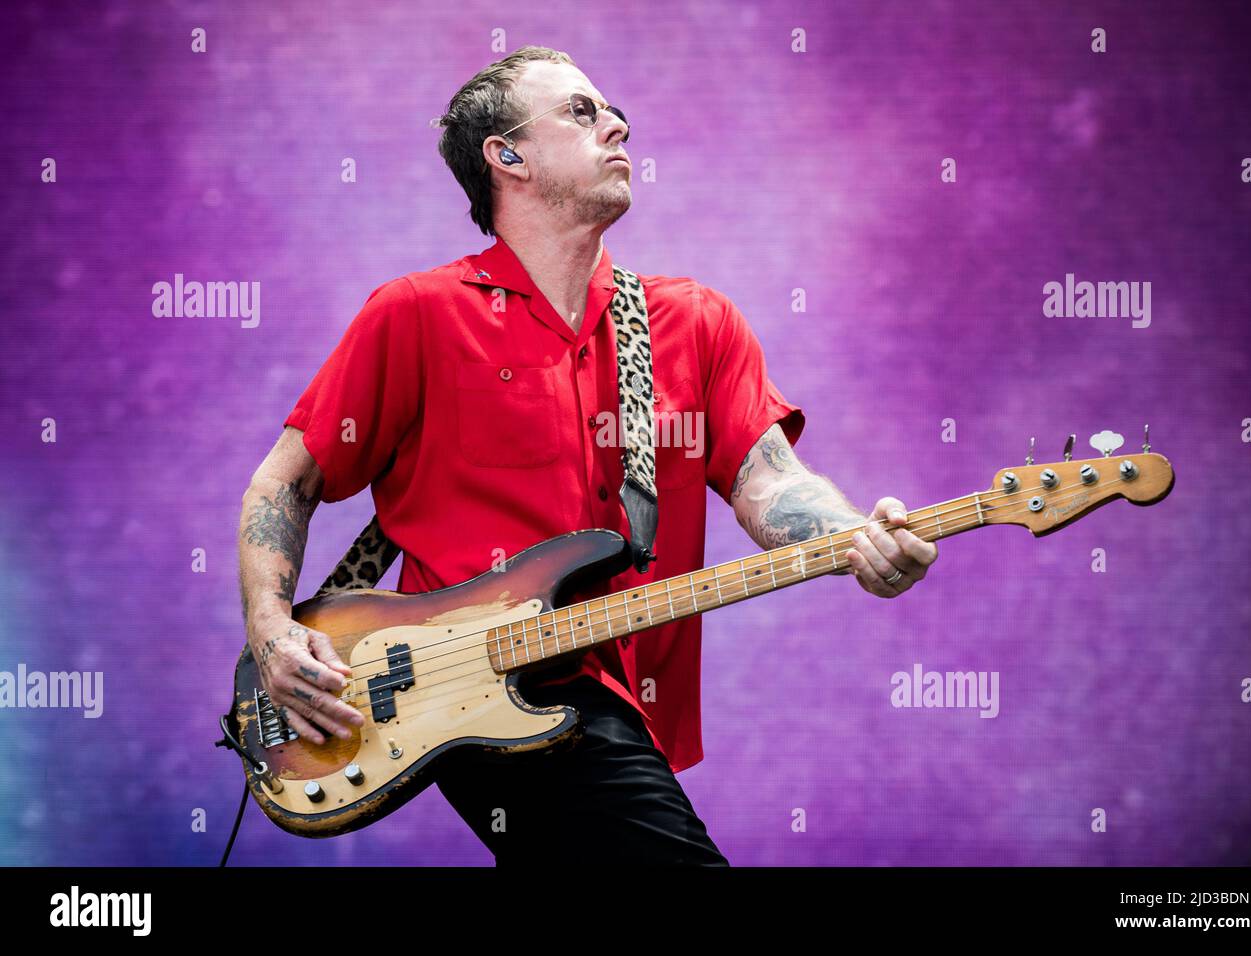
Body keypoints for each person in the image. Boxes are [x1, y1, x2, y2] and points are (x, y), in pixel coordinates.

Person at [236, 45, 939, 865]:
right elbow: (287, 480)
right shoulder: (415, 313)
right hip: (476, 690)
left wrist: (856, 536)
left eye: (614, 113)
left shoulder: (695, 321)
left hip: (616, 694)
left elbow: (767, 483)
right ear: (508, 157)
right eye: (579, 111)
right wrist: (272, 632)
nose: (617, 124)